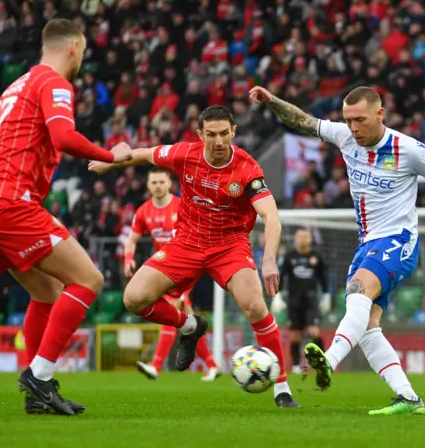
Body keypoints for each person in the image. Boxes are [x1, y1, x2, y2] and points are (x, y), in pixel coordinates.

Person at [249, 85, 425, 416]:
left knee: (357, 291)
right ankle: (408, 398)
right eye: (348, 120)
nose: (353, 128)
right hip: (368, 243)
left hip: (399, 241)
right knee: (367, 326)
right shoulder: (345, 136)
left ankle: (330, 362)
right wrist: (272, 100)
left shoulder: (407, 149)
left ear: (380, 114)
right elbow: (303, 121)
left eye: (360, 120)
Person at [0, 18, 132, 417]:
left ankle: (35, 393)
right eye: (83, 52)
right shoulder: (55, 83)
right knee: (90, 279)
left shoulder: (14, 87)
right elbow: (62, 137)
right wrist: (112, 156)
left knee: (46, 291)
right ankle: (39, 377)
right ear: (74, 47)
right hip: (13, 202)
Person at [88, 105, 301, 408]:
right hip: (186, 242)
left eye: (224, 134)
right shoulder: (184, 154)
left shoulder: (247, 168)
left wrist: (268, 261)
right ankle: (189, 326)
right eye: (211, 135)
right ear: (200, 134)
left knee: (255, 306)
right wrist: (111, 161)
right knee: (133, 299)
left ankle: (282, 388)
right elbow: (144, 153)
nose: (218, 141)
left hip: (230, 245)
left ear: (233, 132)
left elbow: (272, 216)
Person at [124, 167, 219, 381]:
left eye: (161, 182)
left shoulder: (181, 205)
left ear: (169, 184)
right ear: (148, 186)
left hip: (185, 266)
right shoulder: (144, 212)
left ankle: (156, 366)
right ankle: (212, 365)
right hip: (162, 270)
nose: (157, 186)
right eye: (153, 182)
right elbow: (131, 240)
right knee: (187, 318)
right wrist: (128, 258)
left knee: (173, 309)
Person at [271, 227, 330, 374]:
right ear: (295, 239)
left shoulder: (316, 256)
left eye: (305, 236)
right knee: (294, 334)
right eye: (300, 236)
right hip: (293, 301)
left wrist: (326, 295)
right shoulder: (289, 256)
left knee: (314, 331)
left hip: (311, 300)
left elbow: (323, 277)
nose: (302, 239)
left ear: (310, 239)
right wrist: (277, 296)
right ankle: (297, 365)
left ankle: (323, 362)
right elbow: (281, 275)